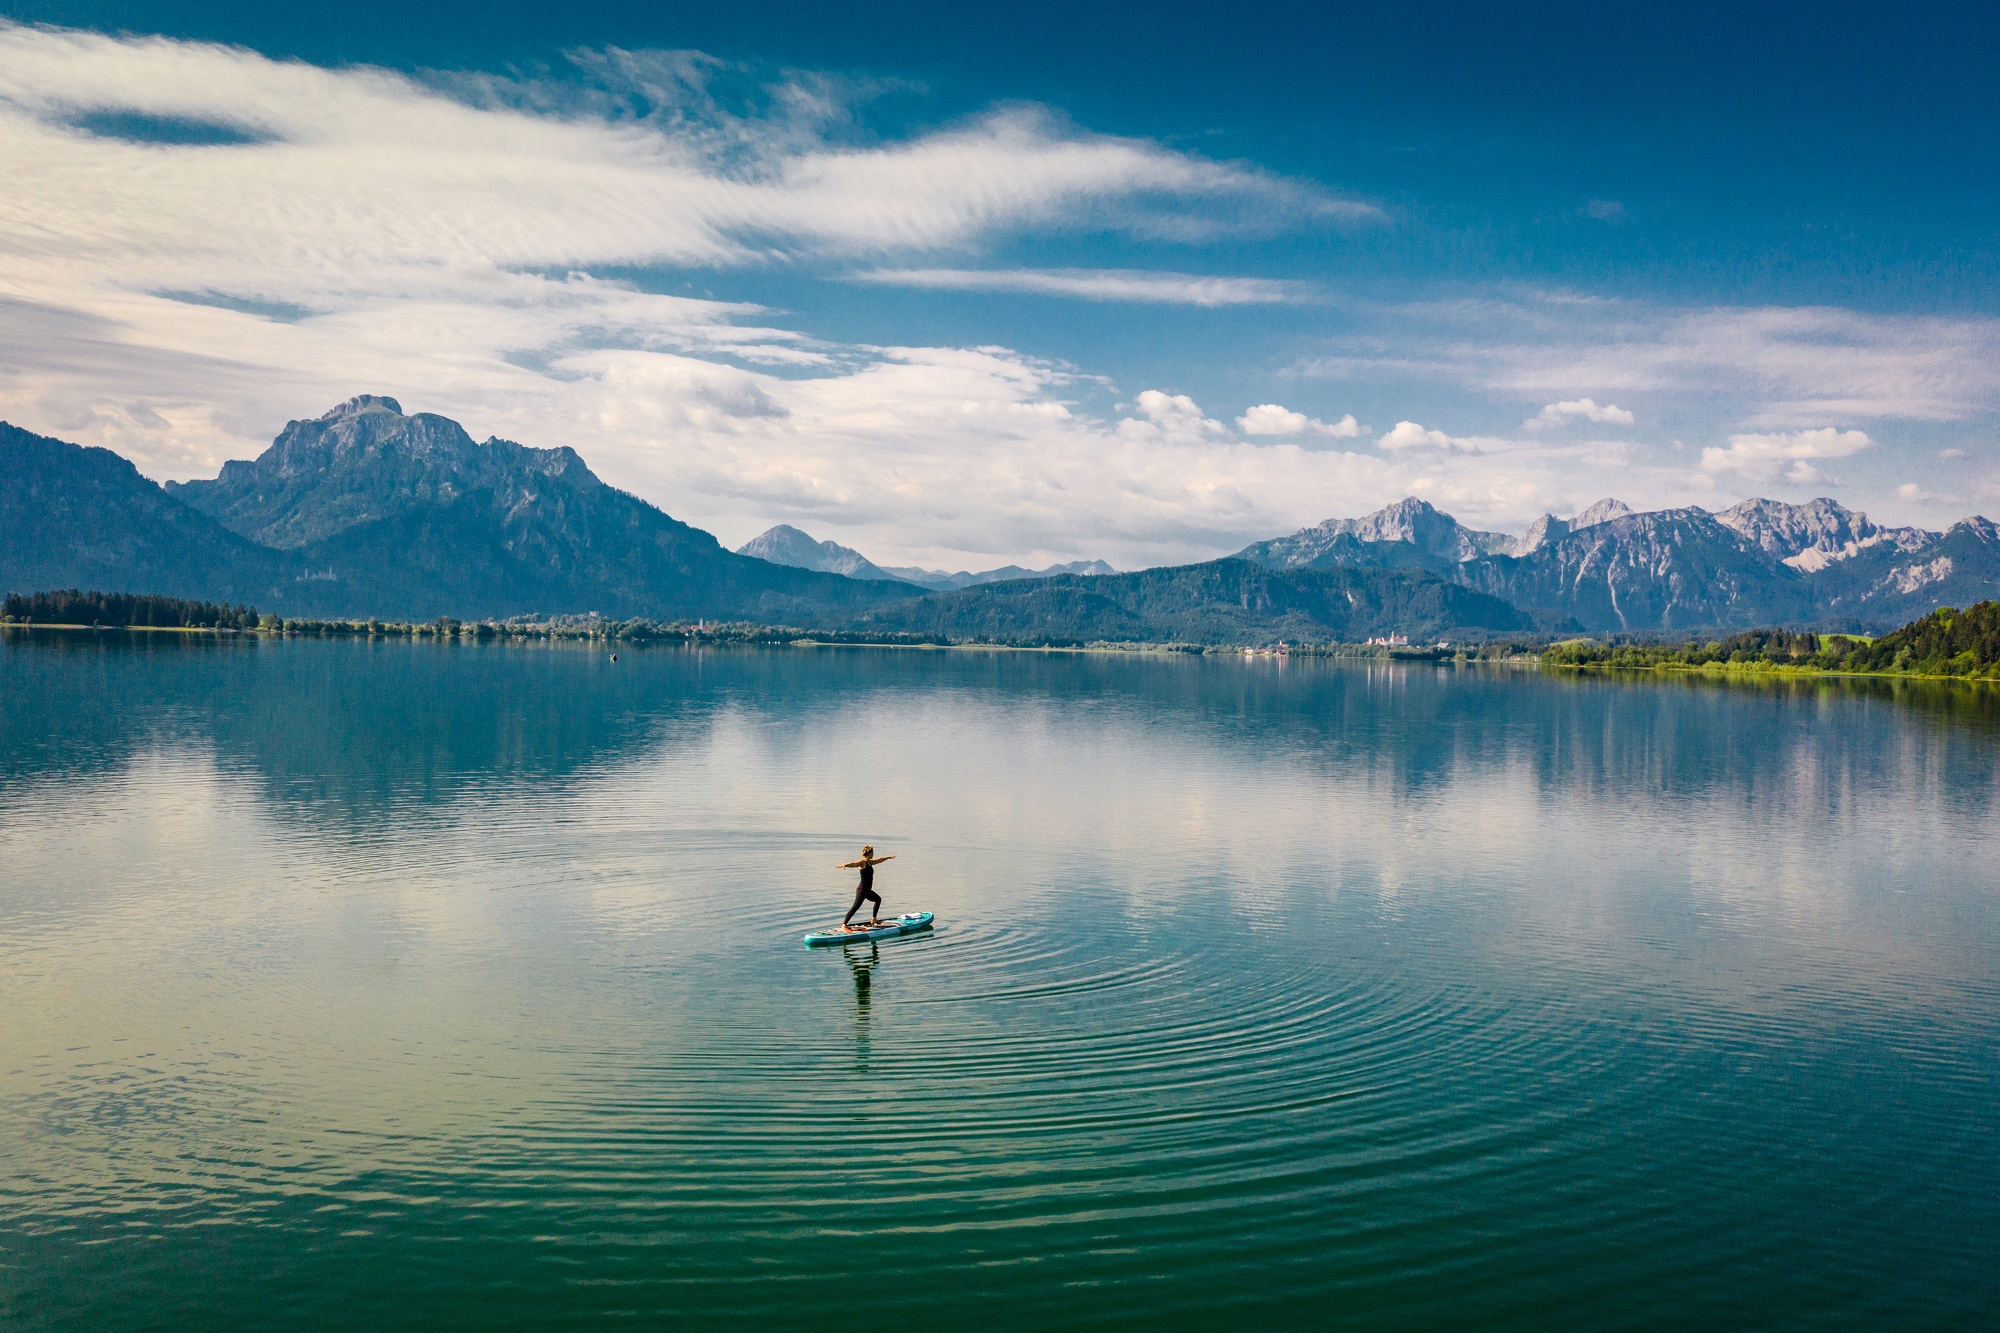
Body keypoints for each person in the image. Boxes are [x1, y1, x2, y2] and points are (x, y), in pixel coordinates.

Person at [837, 846, 896, 928]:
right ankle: (844, 925)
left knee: (878, 899)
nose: (873, 854)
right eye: (872, 852)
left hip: (867, 890)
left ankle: (874, 919)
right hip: (862, 890)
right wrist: (845, 865)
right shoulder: (863, 863)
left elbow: (880, 860)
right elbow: (854, 864)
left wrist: (888, 857)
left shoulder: (870, 862)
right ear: (869, 853)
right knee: (855, 907)